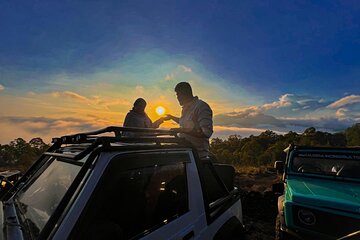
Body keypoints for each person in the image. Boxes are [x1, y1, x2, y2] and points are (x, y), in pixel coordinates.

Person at [165, 82, 213, 159]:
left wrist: (181, 130)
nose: (177, 98)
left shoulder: (201, 106)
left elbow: (206, 132)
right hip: (185, 152)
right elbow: (184, 122)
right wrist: (171, 117)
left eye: (177, 95)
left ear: (184, 93)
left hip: (197, 156)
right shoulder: (186, 108)